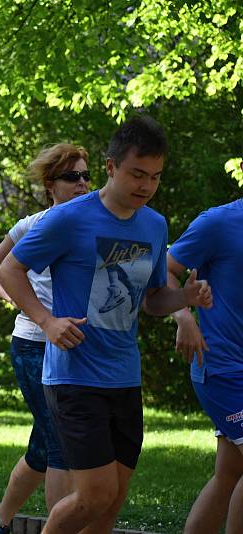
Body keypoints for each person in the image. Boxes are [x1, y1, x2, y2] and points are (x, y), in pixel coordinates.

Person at [0, 116, 213, 533]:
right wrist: (47, 321)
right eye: (136, 174)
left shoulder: (154, 224)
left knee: (110, 503)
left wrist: (184, 298)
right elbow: (9, 269)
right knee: (94, 494)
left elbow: (151, 301)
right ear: (111, 168)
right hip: (74, 378)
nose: (145, 186)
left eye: (154, 177)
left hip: (124, 378)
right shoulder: (69, 218)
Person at [0, 143, 90, 533]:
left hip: (78, 346)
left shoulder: (98, 224)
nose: (82, 184)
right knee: (59, 444)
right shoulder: (32, 225)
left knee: (44, 446)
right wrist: (19, 298)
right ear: (50, 184)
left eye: (87, 175)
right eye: (71, 177)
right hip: (34, 346)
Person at [167, 162, 243, 534]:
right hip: (224, 368)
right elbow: (163, 271)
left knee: (229, 474)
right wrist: (184, 318)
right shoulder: (217, 223)